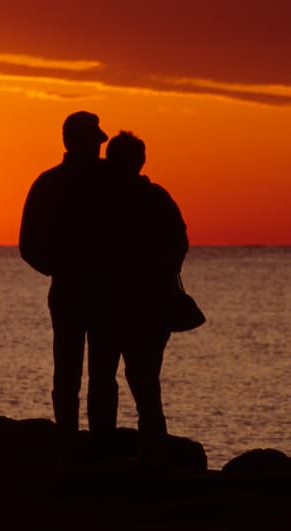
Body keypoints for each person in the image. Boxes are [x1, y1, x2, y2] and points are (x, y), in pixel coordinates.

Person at [87, 130, 188, 460]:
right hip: (147, 306)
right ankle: (153, 448)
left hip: (109, 304)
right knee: (145, 381)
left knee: (104, 380)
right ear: (141, 161)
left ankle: (103, 449)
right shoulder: (155, 197)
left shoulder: (97, 199)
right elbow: (178, 244)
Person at [19, 111, 109, 456]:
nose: (99, 149)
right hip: (88, 289)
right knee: (82, 372)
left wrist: (60, 270)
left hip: (89, 290)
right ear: (79, 142)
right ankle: (83, 445)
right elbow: (29, 245)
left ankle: (83, 445)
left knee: (85, 373)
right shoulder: (62, 183)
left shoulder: (53, 182)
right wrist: (64, 269)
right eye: (94, 141)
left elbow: (29, 246)